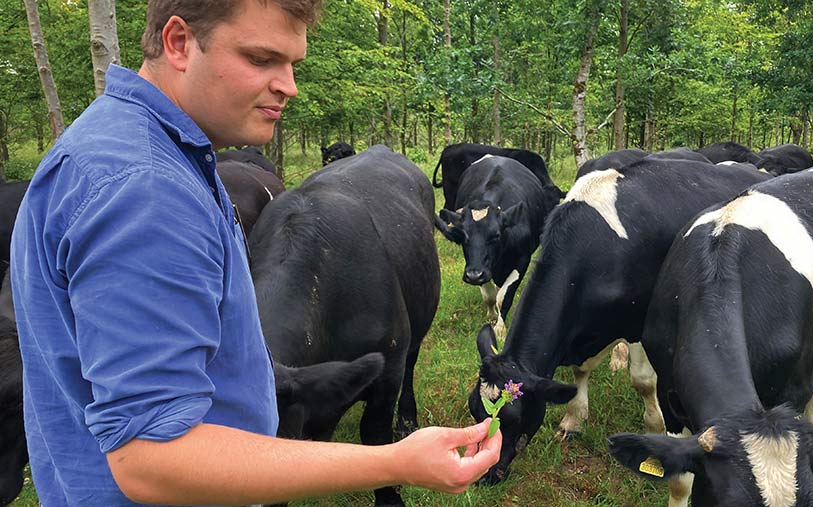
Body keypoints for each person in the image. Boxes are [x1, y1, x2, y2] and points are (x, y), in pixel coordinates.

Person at [10, 0, 501, 505]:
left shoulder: (114, 142)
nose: (288, 85)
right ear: (179, 42)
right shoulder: (146, 191)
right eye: (261, 59)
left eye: (292, 64)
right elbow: (153, 458)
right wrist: (393, 461)